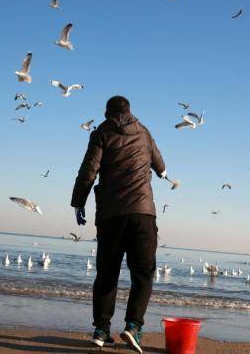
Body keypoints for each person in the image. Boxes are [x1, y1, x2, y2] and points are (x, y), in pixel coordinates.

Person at [71, 95, 166, 353]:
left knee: (107, 274)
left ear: (106, 112)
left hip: (111, 217)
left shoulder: (101, 132)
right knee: (143, 273)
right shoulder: (143, 132)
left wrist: (78, 203)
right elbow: (160, 163)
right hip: (143, 214)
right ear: (129, 110)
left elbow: (88, 170)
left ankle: (101, 330)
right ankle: (133, 326)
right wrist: (163, 173)